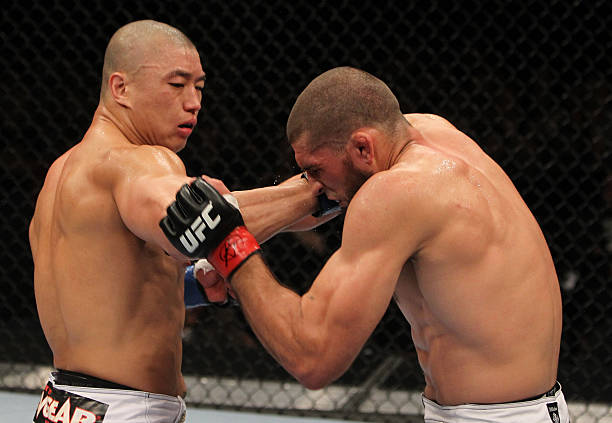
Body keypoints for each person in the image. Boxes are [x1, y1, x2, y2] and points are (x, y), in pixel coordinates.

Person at [188, 67, 569, 423]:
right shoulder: (426, 131)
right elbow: (311, 195)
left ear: (363, 149)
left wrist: (231, 248)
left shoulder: (396, 192)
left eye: (316, 170)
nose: (311, 181)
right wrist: (220, 210)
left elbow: (312, 357)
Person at [28, 20, 337, 423]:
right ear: (120, 88)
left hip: (63, 405)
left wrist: (190, 285)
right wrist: (317, 190)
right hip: (127, 411)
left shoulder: (60, 174)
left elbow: (100, 291)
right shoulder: (138, 161)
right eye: (176, 85)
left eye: (200, 87)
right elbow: (193, 219)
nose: (193, 103)